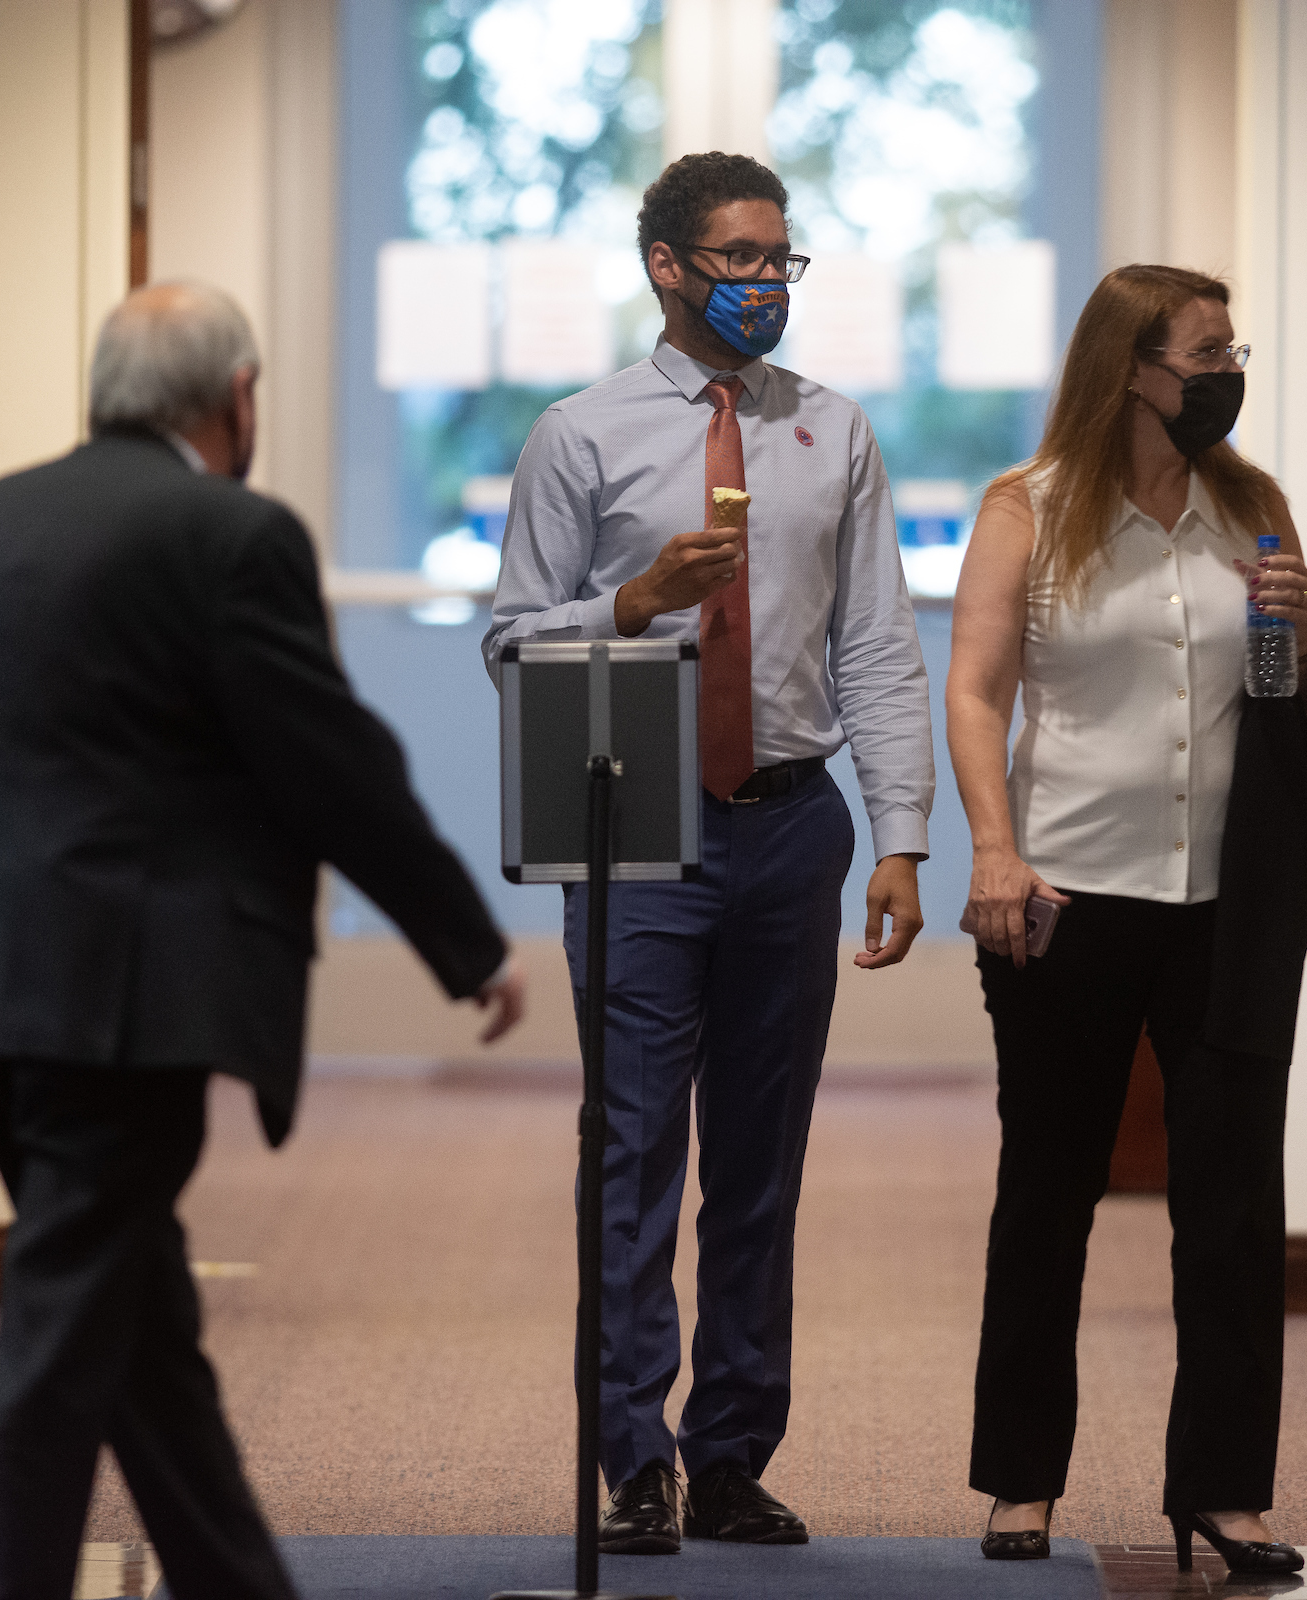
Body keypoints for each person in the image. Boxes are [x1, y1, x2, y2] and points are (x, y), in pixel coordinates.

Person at [0, 282, 523, 1600]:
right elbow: (326, 760)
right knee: (67, 1323)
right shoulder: (232, 535)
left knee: (139, 1323)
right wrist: (467, 942)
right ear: (233, 397)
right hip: (125, 1002)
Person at [946, 265, 1307, 1572]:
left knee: (1233, 1205)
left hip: (1229, 908)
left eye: (1236, 350)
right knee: (1047, 1192)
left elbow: (1267, 700)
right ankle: (1021, 1480)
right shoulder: (1028, 510)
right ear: (1132, 372)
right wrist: (993, 847)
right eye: (1207, 352)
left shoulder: (1250, 504)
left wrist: (1297, 624)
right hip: (1061, 898)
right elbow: (978, 691)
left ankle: (1225, 1491)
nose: (1228, 371)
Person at [484, 151, 934, 1554]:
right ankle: (630, 1459)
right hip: (637, 825)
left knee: (761, 1158)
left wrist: (905, 837)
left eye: (779, 263)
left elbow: (875, 645)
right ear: (667, 267)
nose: (762, 287)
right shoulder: (583, 434)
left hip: (793, 823)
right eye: (735, 260)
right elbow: (508, 642)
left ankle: (730, 1452)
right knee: (631, 1154)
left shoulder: (834, 431)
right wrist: (632, 603)